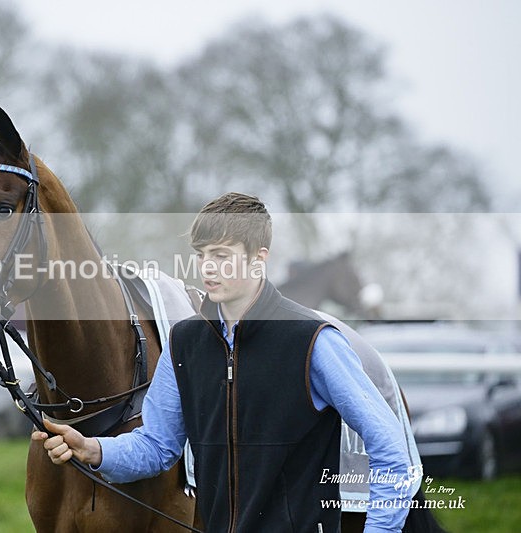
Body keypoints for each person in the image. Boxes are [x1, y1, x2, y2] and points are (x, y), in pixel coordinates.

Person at [33, 193, 416, 532]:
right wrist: (93, 449)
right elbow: (157, 446)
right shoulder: (184, 344)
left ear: (258, 259)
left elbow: (390, 447)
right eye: (202, 255)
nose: (208, 268)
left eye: (221, 255)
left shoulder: (314, 341)